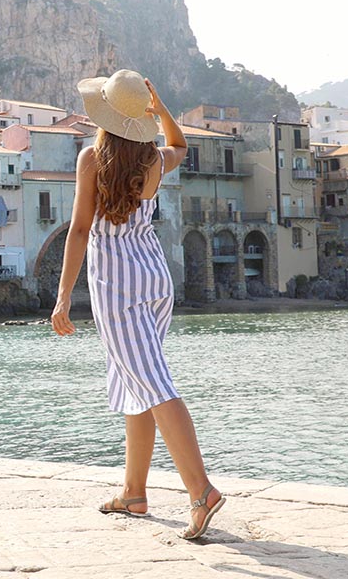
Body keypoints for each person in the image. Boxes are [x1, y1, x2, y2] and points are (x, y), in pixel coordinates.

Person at [51, 70, 224, 541]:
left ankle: (200, 491)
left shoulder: (91, 159)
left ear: (103, 114)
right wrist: (161, 108)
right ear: (140, 118)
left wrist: (64, 294)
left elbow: (81, 230)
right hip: (154, 279)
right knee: (138, 382)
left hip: (116, 286)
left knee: (154, 382)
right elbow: (182, 147)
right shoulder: (154, 158)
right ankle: (133, 492)